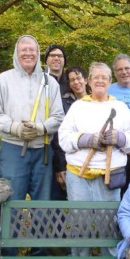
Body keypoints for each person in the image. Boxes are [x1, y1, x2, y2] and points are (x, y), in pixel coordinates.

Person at [58, 62, 130, 259]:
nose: (100, 81)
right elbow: (63, 138)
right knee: (80, 223)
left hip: (109, 176)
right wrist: (85, 140)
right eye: (96, 77)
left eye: (105, 77)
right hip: (79, 176)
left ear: (109, 80)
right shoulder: (78, 107)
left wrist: (120, 138)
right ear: (89, 81)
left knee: (109, 224)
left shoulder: (120, 108)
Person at [0, 35, 64, 202]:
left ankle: (40, 230)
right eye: (24, 50)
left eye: (32, 50)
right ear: (16, 53)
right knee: (11, 200)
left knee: (42, 204)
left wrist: (41, 128)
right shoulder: (4, 80)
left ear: (38, 54)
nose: (28, 54)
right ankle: (10, 230)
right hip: (13, 149)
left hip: (42, 150)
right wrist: (16, 128)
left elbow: (59, 116)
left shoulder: (50, 82)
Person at [51, 65, 91, 200]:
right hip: (71, 161)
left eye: (78, 78)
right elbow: (59, 137)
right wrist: (60, 166)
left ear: (86, 80)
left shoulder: (97, 101)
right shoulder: (63, 104)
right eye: (72, 80)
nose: (76, 82)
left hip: (95, 161)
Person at [108, 54, 130, 193]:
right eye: (119, 69)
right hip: (115, 148)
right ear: (114, 73)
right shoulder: (108, 90)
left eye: (127, 68)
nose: (124, 72)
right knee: (116, 188)